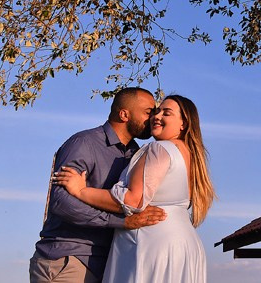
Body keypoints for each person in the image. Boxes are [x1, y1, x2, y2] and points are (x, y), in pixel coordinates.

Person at [54, 94, 215, 283]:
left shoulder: (159, 149)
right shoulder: (191, 157)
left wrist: (81, 191)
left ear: (184, 123)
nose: (157, 116)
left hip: (151, 243)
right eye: (155, 111)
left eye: (166, 113)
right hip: (185, 245)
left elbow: (133, 200)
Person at [30, 87, 167, 283]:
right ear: (124, 114)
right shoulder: (83, 143)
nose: (154, 117)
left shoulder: (138, 154)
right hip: (70, 259)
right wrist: (122, 222)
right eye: (148, 112)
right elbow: (61, 203)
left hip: (112, 263)